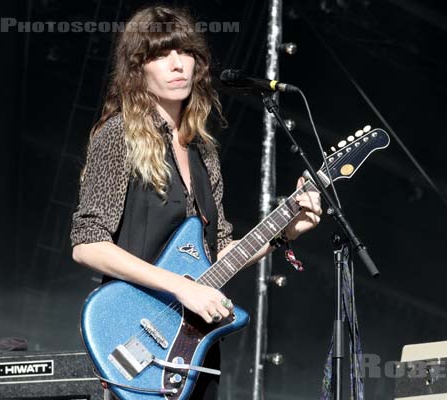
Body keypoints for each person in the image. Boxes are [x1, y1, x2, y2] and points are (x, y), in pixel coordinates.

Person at [70, 5, 322, 400]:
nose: (176, 65)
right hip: (134, 336)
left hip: (194, 347)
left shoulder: (203, 152)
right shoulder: (118, 135)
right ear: (138, 69)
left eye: (184, 52)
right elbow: (87, 243)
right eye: (159, 55)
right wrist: (182, 288)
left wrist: (284, 231)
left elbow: (220, 254)